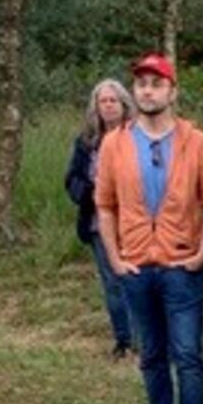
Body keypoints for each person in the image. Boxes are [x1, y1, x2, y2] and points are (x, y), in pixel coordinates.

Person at [95, 53, 203, 404]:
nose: (148, 90)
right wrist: (115, 258)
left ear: (172, 91)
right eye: (142, 84)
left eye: (156, 83)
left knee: (186, 351)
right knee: (150, 351)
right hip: (136, 264)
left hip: (180, 263)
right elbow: (105, 206)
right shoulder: (114, 142)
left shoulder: (195, 141)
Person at [66, 78, 140, 358]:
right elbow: (72, 179)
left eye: (113, 101)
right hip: (99, 222)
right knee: (112, 282)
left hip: (134, 221)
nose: (108, 106)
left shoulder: (138, 137)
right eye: (103, 101)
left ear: (124, 104)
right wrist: (90, 192)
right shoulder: (86, 142)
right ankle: (122, 341)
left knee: (137, 280)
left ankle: (144, 342)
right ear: (95, 107)